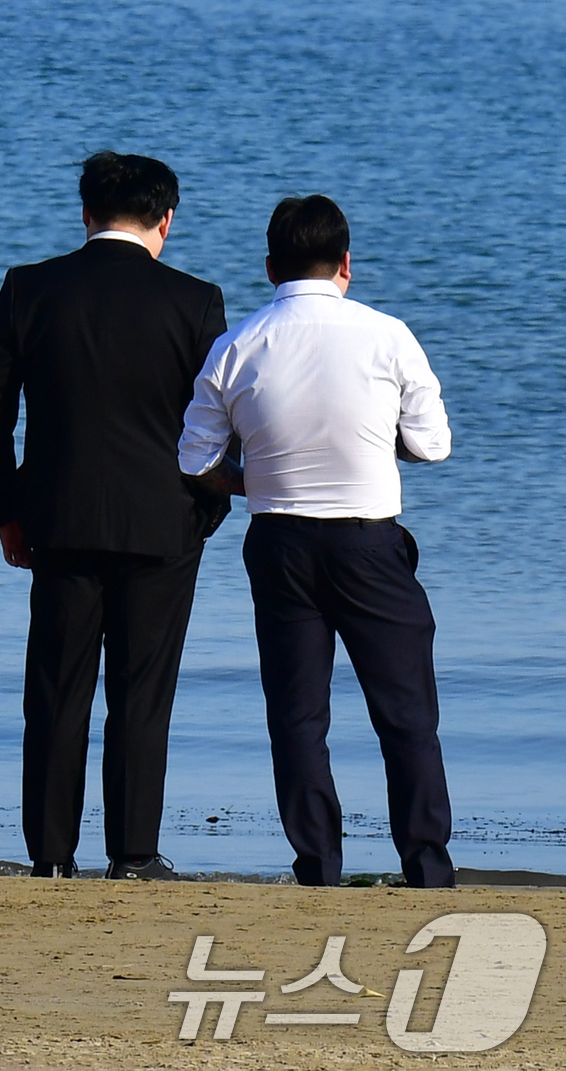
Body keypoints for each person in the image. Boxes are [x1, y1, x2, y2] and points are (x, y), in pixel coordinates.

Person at [178, 194, 454, 888]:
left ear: (271, 267)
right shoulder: (389, 335)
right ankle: (426, 866)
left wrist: (251, 479)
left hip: (279, 542)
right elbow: (432, 445)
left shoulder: (237, 344)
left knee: (297, 717)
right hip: (370, 545)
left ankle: (317, 867)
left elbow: (196, 461)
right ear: (346, 265)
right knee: (407, 715)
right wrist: (375, 443)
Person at [0, 151, 229, 880]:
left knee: (57, 690)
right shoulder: (197, 301)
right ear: (165, 220)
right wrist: (207, 510)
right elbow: (218, 423)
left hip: (58, 519)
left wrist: (5, 511)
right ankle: (134, 853)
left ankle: (51, 856)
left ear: (86, 213)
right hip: (163, 522)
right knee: (142, 694)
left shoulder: (29, 288)